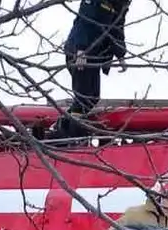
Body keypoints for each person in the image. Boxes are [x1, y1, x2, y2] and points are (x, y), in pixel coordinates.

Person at [52, 0, 130, 139]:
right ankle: (70, 134)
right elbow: (84, 23)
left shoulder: (120, 5)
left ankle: (64, 125)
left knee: (92, 97)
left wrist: (121, 55)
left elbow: (117, 29)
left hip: (95, 55)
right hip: (81, 51)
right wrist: (80, 50)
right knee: (83, 96)